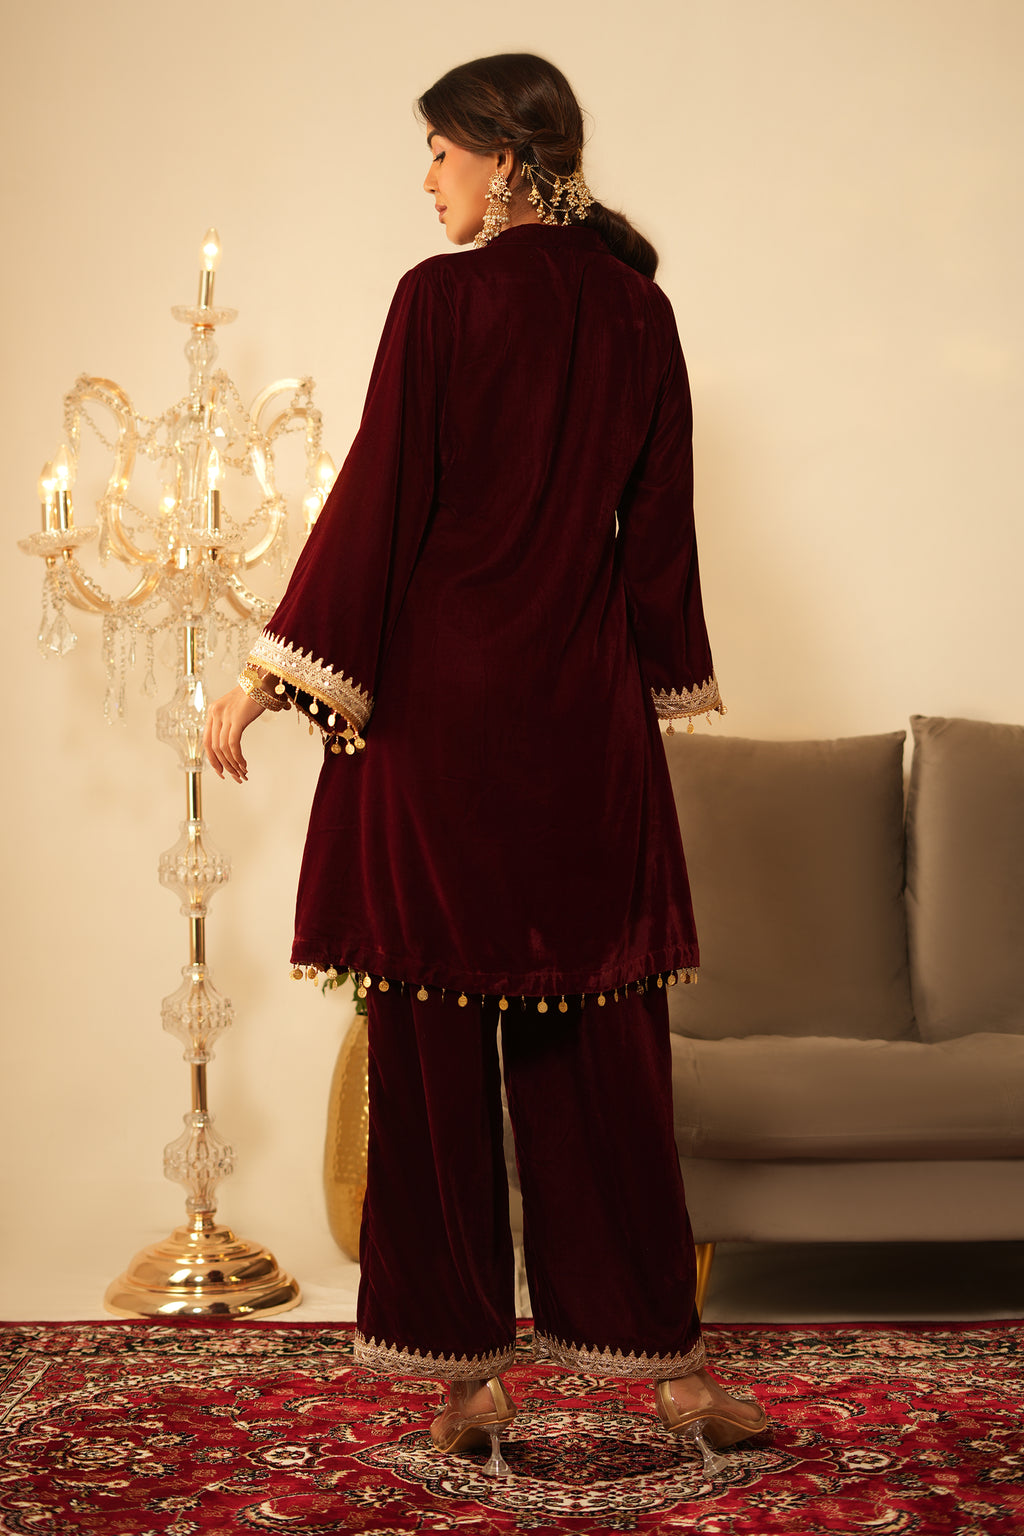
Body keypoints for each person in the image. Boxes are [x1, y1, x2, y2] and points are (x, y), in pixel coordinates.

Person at [204, 52, 767, 1476]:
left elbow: (381, 499)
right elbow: (662, 534)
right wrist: (656, 685)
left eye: (442, 154)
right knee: (608, 1061)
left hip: (440, 735)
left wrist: (269, 676)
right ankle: (675, 1372)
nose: (429, 181)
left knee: (435, 1057)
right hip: (584, 728)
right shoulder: (640, 310)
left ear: (505, 160)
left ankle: (466, 1386)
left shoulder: (439, 300)